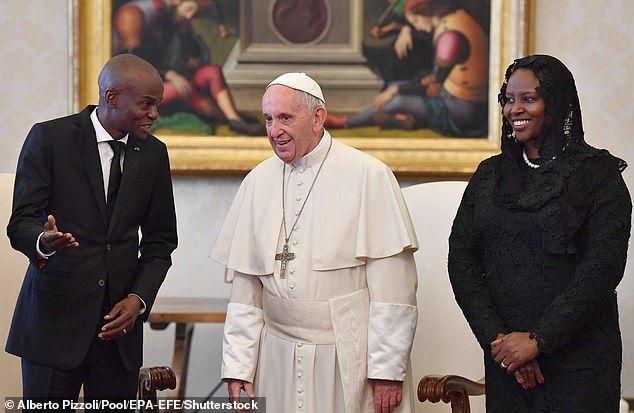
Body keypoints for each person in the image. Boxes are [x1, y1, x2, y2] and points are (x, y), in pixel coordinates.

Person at [211, 72, 419, 413]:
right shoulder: (257, 181)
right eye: (268, 119)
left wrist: (387, 370)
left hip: (347, 355)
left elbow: (394, 289)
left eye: (285, 118)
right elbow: (246, 291)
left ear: (318, 118)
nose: (274, 131)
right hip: (274, 353)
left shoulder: (369, 175)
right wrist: (237, 365)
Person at [448, 54, 631, 412]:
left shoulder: (599, 177)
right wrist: (499, 341)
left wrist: (538, 341)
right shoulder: (489, 176)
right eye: (508, 99)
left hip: (580, 365)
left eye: (528, 98)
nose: (515, 108)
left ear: (556, 103)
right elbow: (462, 261)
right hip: (508, 367)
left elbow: (601, 271)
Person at [5, 54, 178, 404]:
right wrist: (44, 241)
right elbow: (20, 221)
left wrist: (138, 300)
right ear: (112, 97)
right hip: (53, 329)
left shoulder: (154, 154)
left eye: (157, 105)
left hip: (118, 336)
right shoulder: (50, 138)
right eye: (146, 104)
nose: (154, 114)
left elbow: (161, 242)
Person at [327, 0, 489, 137]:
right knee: (393, 89)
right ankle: (404, 117)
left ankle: (344, 122)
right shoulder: (453, 20)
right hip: (452, 95)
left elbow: (435, 80)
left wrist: (396, 90)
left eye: (416, 22)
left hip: (463, 109)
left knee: (397, 99)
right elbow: (435, 79)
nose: (417, 27)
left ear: (426, 11)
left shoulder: (450, 37)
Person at [113, 0, 265, 136]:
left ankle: (234, 119)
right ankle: (225, 118)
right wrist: (169, 75)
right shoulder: (141, 17)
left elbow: (195, 61)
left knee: (212, 71)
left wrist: (184, 29)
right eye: (188, 7)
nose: (190, 13)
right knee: (181, 88)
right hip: (146, 89)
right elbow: (133, 63)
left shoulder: (175, 21)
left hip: (172, 80)